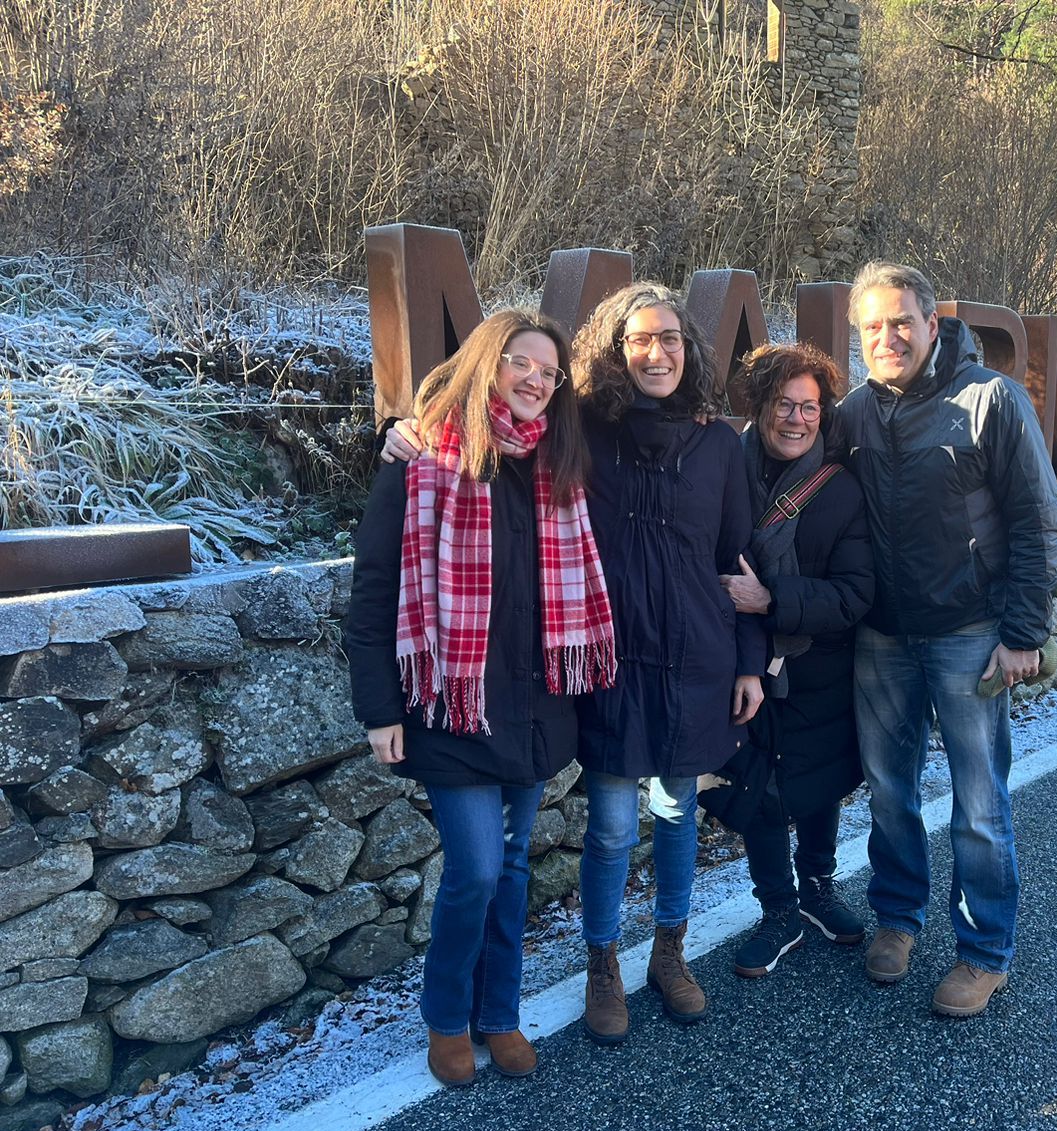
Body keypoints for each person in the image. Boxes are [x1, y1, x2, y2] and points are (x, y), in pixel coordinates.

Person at [386, 283, 765, 1044]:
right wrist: (399, 430)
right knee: (613, 828)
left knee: (678, 813)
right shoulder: (579, 429)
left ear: (687, 350)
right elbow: (483, 433)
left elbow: (739, 560)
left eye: (670, 340)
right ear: (614, 351)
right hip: (606, 657)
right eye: (639, 340)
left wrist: (750, 661)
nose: (656, 353)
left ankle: (668, 953)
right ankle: (603, 966)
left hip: (695, 653)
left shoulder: (719, 442)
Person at [346, 309, 615, 1087]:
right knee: (475, 870)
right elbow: (373, 595)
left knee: (516, 865)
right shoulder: (421, 459)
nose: (536, 380)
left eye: (550, 372)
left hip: (533, 707)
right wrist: (380, 709)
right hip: (452, 704)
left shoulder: (555, 468)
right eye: (520, 363)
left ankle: (499, 1013)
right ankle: (445, 1014)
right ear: (486, 364)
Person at [836, 261, 1057, 1017]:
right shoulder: (854, 414)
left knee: (977, 801)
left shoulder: (990, 399)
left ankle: (984, 951)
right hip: (882, 638)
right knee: (889, 793)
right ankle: (898, 919)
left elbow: (1036, 517)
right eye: (872, 326)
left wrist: (1025, 630)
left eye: (901, 321)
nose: (887, 336)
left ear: (933, 324)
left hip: (969, 634)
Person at [705, 343, 874, 978]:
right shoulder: (721, 466)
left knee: (818, 782)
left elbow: (857, 592)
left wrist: (771, 599)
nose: (796, 419)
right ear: (760, 405)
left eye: (809, 406)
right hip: (734, 662)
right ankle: (777, 908)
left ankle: (820, 890)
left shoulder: (841, 490)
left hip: (817, 666)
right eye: (783, 404)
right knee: (758, 787)